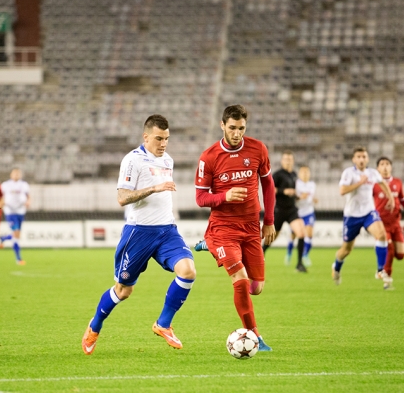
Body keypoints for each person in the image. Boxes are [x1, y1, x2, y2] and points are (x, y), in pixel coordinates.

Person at [82, 114, 196, 355]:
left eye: (166, 138)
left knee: (188, 271)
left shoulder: (168, 160)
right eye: (158, 138)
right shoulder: (132, 160)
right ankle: (95, 325)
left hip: (167, 230)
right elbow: (122, 197)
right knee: (123, 291)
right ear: (146, 137)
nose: (163, 143)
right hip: (139, 233)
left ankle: (163, 324)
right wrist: (154, 188)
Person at [195, 104, 276, 351]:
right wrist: (225, 196)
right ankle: (255, 336)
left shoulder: (258, 149)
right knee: (240, 279)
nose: (237, 133)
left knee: (256, 287)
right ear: (222, 125)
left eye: (241, 128)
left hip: (250, 227)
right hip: (223, 228)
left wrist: (269, 221)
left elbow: (268, 185)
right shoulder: (209, 157)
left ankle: (208, 245)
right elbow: (200, 198)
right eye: (232, 128)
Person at [332, 146, 394, 289]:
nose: (361, 159)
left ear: (367, 159)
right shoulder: (349, 173)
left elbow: (382, 183)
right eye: (358, 157)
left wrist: (390, 198)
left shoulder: (372, 173)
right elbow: (342, 191)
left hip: (368, 213)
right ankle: (336, 266)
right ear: (354, 159)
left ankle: (380, 270)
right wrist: (360, 182)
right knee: (346, 250)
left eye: (364, 156)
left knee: (382, 235)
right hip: (352, 216)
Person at [373, 157, 404, 289]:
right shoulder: (374, 184)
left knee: (400, 255)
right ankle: (387, 281)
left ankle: (382, 263)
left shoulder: (397, 182)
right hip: (381, 224)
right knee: (390, 250)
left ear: (391, 167)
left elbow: (402, 199)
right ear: (377, 168)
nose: (385, 167)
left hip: (396, 223)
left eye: (387, 164)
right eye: (382, 164)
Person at [262, 150, 306, 272]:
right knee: (271, 238)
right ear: (282, 161)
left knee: (301, 233)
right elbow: (269, 189)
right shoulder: (277, 174)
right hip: (279, 210)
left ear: (293, 161)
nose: (288, 161)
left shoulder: (294, 174)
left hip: (292, 210)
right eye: (286, 159)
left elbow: (293, 191)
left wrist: (297, 196)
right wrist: (284, 191)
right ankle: (261, 254)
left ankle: (299, 264)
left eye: (290, 159)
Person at [0, 168, 30, 265]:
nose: (16, 175)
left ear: (20, 175)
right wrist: (1, 204)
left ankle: (4, 238)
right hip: (10, 211)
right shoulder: (5, 185)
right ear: (11, 175)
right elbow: (0, 196)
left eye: (18, 173)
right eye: (15, 173)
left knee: (17, 235)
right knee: (16, 233)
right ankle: (18, 259)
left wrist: (28, 202)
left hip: (20, 211)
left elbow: (28, 196)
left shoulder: (24, 185)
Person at [294, 166, 318, 269]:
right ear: (299, 174)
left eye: (307, 172)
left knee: (310, 234)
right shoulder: (296, 184)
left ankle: (305, 255)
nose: (305, 174)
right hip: (298, 213)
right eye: (303, 172)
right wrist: (299, 198)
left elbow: (310, 197)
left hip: (309, 212)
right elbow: (293, 198)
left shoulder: (312, 185)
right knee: (296, 236)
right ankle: (289, 254)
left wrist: (314, 200)